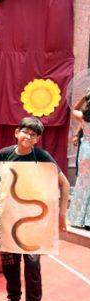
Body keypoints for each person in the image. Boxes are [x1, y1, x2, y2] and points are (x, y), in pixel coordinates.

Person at [0, 117, 70, 301]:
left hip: (33, 225)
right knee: (9, 264)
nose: (28, 137)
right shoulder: (4, 154)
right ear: (16, 132)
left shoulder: (42, 158)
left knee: (33, 267)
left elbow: (64, 184)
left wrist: (62, 215)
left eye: (33, 135)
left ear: (37, 140)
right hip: (8, 221)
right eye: (24, 132)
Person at [69, 91, 90, 229]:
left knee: (83, 184)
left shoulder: (84, 117)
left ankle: (78, 219)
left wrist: (85, 97)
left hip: (86, 151)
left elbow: (74, 109)